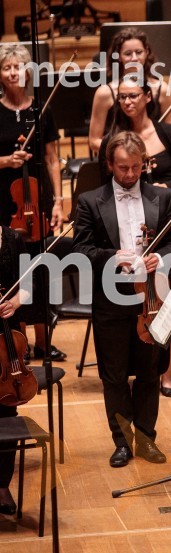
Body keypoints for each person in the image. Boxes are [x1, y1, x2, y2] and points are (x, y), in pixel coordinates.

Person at [73, 131, 171, 467]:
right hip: (111, 298)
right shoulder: (90, 201)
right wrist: (112, 256)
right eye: (123, 168)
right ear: (109, 165)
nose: (130, 175)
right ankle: (122, 441)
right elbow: (80, 250)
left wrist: (160, 257)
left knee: (150, 372)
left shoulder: (163, 199)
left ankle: (147, 439)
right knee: (115, 374)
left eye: (136, 167)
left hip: (150, 298)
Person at [99, 74, 171, 397]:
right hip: (117, 280)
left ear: (147, 96)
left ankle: (164, 372)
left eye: (134, 95)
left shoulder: (167, 133)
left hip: (160, 223)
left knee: (150, 362)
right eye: (122, 97)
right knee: (116, 370)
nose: (128, 102)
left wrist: (162, 190)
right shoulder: (111, 141)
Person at [0, 43, 67, 362]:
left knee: (41, 271)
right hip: (5, 203)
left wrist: (59, 201)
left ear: (28, 72)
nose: (13, 73)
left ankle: (44, 343)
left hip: (38, 202)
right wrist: (5, 161)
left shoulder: (42, 110)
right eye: (6, 67)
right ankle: (20, 343)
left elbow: (53, 159)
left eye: (18, 67)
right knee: (14, 272)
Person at [89, 28, 171, 156]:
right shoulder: (104, 93)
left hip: (155, 160)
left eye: (139, 52)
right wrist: (126, 153)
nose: (134, 58)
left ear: (146, 52)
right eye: (128, 53)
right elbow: (94, 140)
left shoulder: (162, 89)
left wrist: (152, 150)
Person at [0, 225, 30, 516]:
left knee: (7, 408)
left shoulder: (12, 239)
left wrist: (14, 302)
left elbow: (28, 284)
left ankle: (2, 484)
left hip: (7, 337)